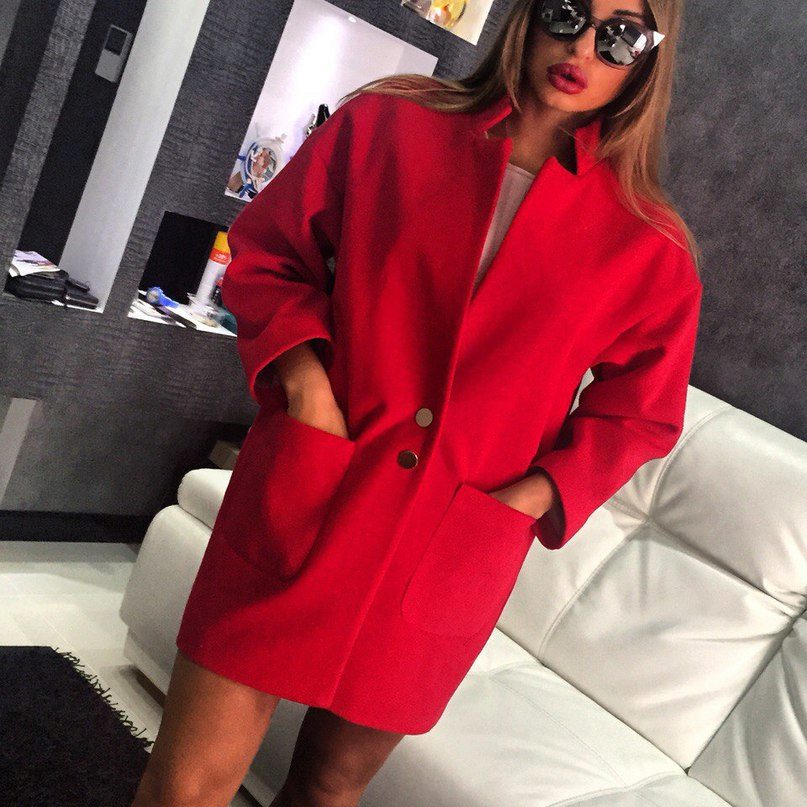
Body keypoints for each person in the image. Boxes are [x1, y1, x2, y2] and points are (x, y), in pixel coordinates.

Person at [132, 1, 703, 805]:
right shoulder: (389, 122)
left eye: (619, 35)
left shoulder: (649, 243)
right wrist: (306, 386)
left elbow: (638, 413)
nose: (581, 46)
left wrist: (530, 496)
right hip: (306, 492)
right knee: (184, 786)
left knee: (328, 787)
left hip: (447, 547)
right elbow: (269, 254)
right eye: (567, 12)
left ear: (647, 59)